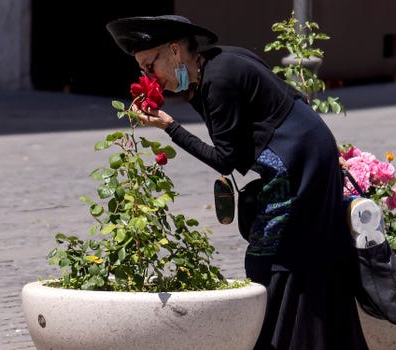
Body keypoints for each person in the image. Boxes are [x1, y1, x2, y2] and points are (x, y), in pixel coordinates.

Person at [107, 15, 369, 349]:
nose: (147, 76)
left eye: (149, 65)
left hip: (299, 165)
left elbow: (228, 159)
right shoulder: (218, 63)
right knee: (301, 255)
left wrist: (169, 127)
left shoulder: (219, 80)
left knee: (274, 257)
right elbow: (290, 96)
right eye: (142, 69)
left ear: (174, 51)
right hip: (309, 154)